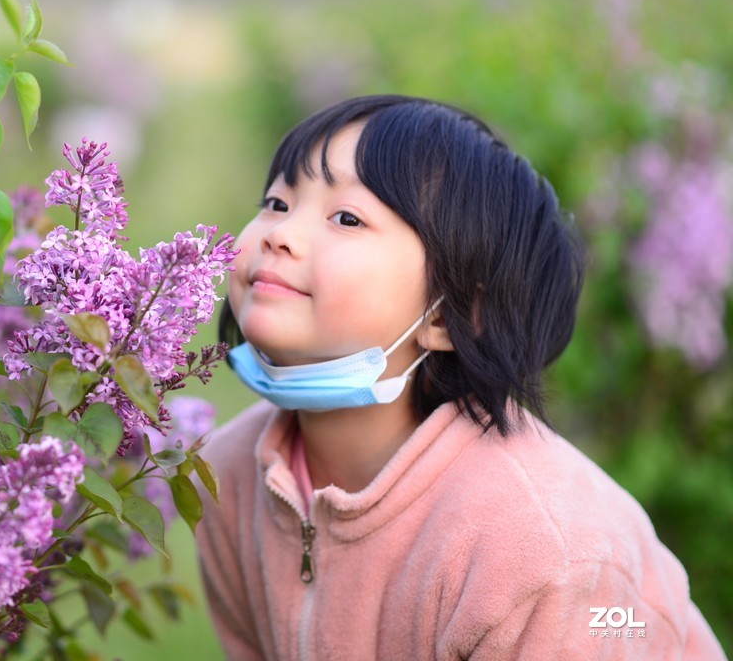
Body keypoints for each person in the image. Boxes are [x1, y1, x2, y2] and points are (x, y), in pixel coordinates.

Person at [195, 95, 726, 660]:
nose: (279, 233)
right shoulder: (227, 474)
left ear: (447, 315)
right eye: (276, 202)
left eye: (347, 218)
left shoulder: (549, 554)